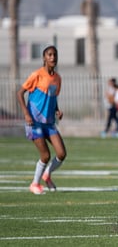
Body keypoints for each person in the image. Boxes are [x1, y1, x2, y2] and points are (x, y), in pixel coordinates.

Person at [17, 45, 67, 195]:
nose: (53, 57)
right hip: (34, 121)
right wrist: (26, 114)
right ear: (44, 58)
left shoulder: (57, 79)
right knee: (45, 155)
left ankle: (47, 175)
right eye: (49, 55)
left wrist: (57, 109)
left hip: (49, 122)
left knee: (61, 153)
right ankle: (34, 184)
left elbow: (52, 96)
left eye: (55, 55)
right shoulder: (36, 75)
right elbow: (20, 93)